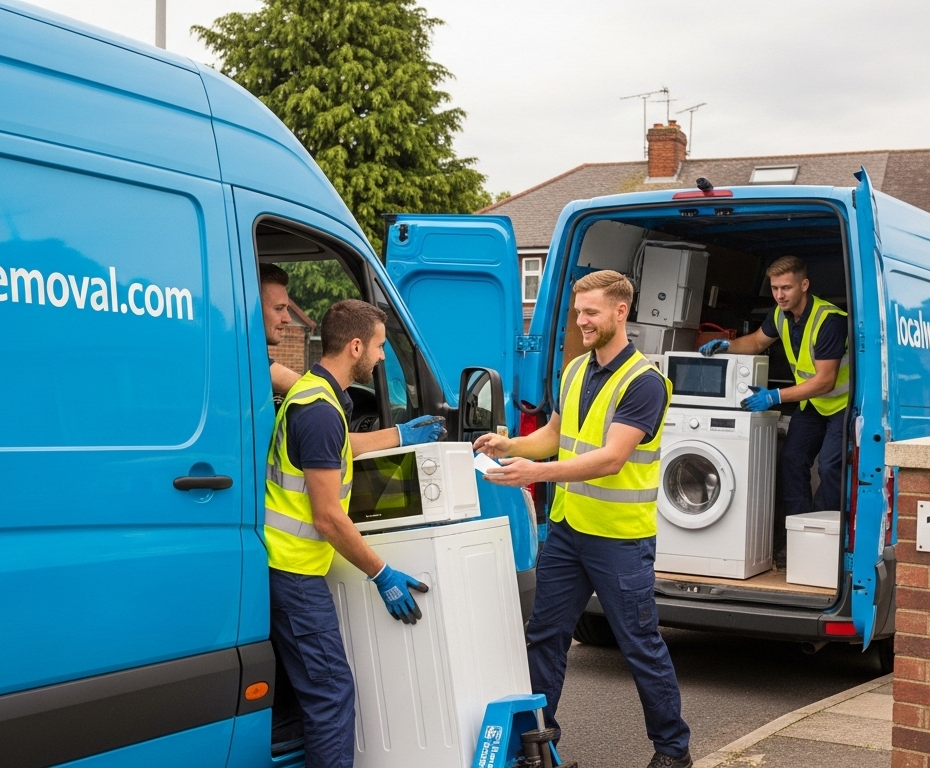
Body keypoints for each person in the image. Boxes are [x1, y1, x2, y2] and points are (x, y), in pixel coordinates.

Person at [476, 270, 692, 768]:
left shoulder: (645, 382)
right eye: (578, 312)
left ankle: (672, 751)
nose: (582, 321)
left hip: (619, 541)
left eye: (591, 312)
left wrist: (537, 470)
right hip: (569, 531)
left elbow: (612, 457)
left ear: (621, 312)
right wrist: (510, 446)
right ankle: (536, 744)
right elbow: (555, 433)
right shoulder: (575, 369)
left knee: (640, 645)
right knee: (544, 636)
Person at [265, 298, 445, 768]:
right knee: (331, 696)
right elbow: (327, 517)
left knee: (317, 694)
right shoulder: (320, 410)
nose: (383, 357)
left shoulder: (313, 395)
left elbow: (335, 449)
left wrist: (401, 436)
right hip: (296, 575)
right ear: (357, 345)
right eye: (382, 347)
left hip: (289, 570)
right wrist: (381, 573)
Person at [697, 255, 849, 551]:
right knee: (792, 461)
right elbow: (755, 342)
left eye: (786, 288)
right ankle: (797, 539)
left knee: (830, 468)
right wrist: (727, 346)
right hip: (812, 405)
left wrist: (774, 396)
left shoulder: (828, 320)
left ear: (804, 285)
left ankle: (823, 540)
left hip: (840, 404)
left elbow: (825, 381)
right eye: (775, 288)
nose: (780, 295)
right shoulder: (779, 314)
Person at [261, 263, 304, 394]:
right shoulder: (233, 355)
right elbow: (305, 388)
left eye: (287, 309)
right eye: (279, 309)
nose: (287, 319)